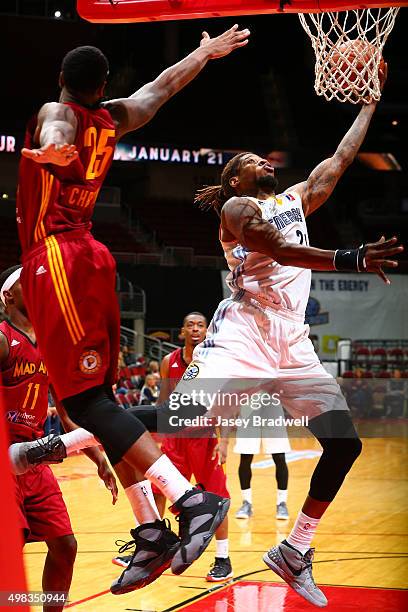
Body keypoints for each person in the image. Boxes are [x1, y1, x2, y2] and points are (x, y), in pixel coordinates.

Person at [15, 28, 250, 593]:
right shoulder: (114, 116)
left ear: (62, 83)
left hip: (58, 254)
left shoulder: (59, 112)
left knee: (82, 401)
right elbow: (159, 89)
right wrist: (203, 53)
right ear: (104, 85)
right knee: (97, 404)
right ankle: (151, 530)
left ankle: (191, 501)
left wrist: (49, 148)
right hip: (90, 257)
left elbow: (55, 123)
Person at [176, 70, 403, 607]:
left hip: (293, 343)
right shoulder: (236, 212)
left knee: (345, 445)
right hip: (246, 329)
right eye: (251, 161)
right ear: (235, 181)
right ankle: (68, 440)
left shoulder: (297, 199)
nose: (263, 161)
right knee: (178, 416)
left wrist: (369, 104)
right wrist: (349, 256)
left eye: (265, 158)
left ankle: (295, 548)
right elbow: (278, 251)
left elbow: (339, 161)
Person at [0, 265, 118, 612]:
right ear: (9, 296)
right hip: (6, 461)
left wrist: (99, 460)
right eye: (28, 284)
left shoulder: (49, 347)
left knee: (65, 546)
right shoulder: (4, 339)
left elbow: (67, 414)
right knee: (12, 546)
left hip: (36, 459)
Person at [113, 312, 233, 582]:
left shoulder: (215, 362)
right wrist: (152, 439)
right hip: (175, 439)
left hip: (205, 439)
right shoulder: (169, 362)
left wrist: (224, 440)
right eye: (189, 324)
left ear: (207, 331)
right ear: (182, 332)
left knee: (218, 498)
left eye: (200, 325)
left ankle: (223, 558)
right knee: (157, 488)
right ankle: (151, 545)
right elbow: (163, 406)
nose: (195, 329)